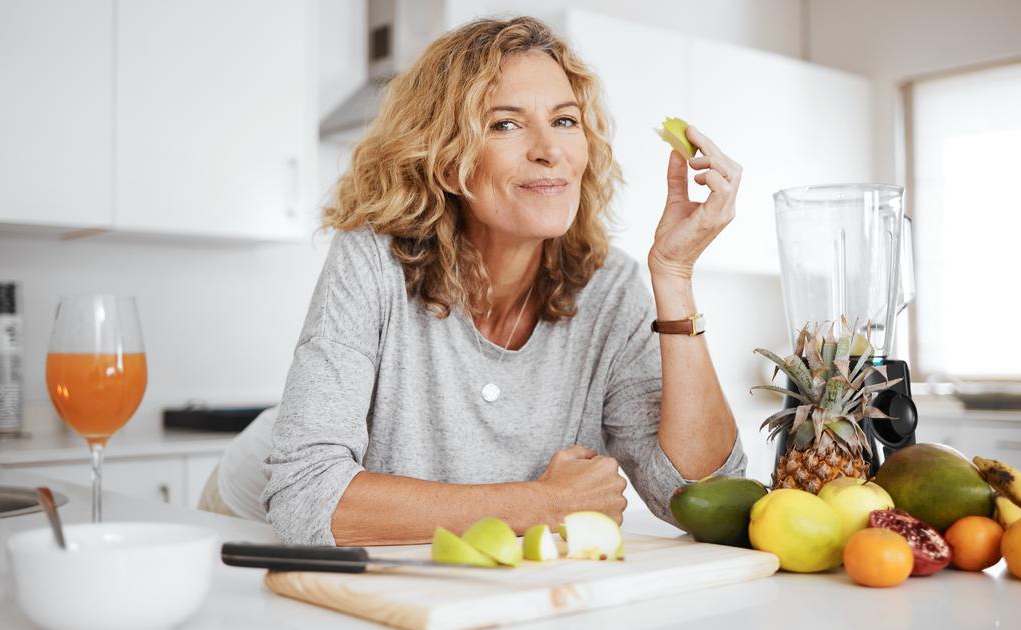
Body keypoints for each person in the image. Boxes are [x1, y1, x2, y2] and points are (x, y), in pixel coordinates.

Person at [241, 16, 746, 546]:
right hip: (249, 519)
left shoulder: (609, 290)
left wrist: (675, 276)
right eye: (505, 124)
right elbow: (305, 497)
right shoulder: (372, 259)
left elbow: (709, 497)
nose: (549, 150)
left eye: (565, 121)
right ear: (445, 160)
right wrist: (543, 504)